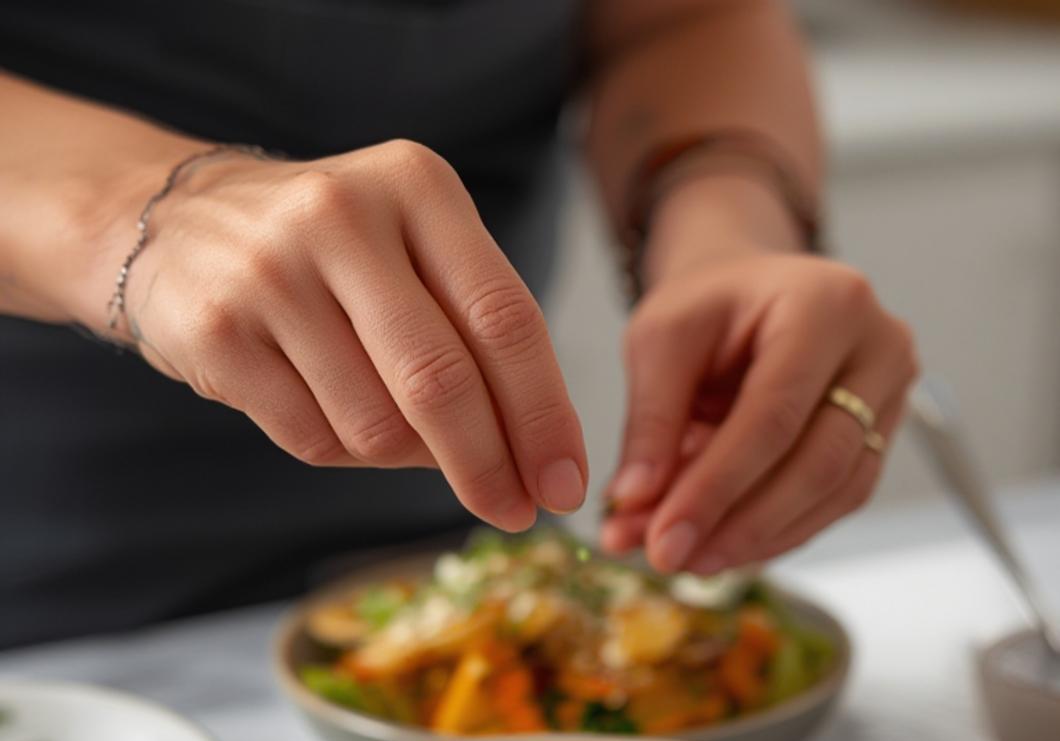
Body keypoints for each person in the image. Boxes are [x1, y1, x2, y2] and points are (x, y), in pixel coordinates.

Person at [0, 0, 916, 650]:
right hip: (42, 605)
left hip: (457, 552)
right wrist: (144, 213)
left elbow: (684, 18)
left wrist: (725, 224)